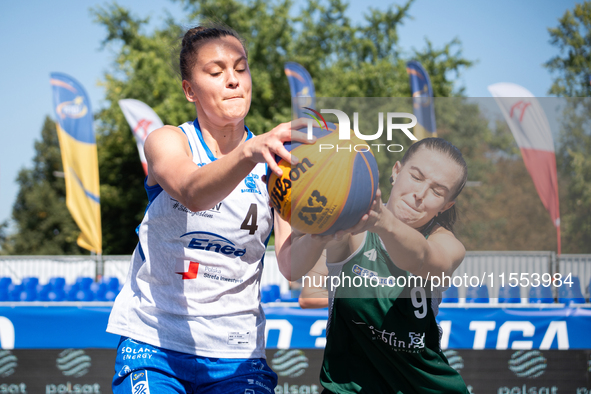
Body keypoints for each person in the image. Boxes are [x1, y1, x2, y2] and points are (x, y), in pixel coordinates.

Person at [106, 24, 311, 394]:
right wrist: (249, 153)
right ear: (190, 90)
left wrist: (333, 224)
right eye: (216, 72)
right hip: (154, 345)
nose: (232, 80)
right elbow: (191, 191)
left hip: (237, 352)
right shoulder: (168, 140)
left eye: (240, 67)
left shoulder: (277, 165)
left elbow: (292, 264)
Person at [290, 137, 470, 393]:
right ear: (396, 171)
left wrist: (383, 221)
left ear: (446, 206)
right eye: (416, 177)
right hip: (347, 388)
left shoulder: (447, 244)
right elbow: (304, 280)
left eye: (437, 191)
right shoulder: (353, 227)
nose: (420, 194)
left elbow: (421, 258)